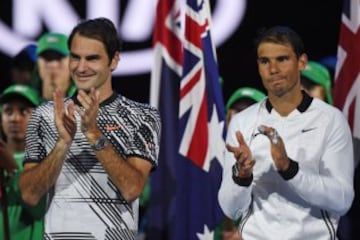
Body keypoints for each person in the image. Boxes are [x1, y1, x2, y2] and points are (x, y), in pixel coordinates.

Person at [18, 17, 161, 240]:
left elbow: (132, 189)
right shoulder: (44, 115)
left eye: (92, 58)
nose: (81, 67)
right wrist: (62, 144)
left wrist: (93, 133)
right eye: (75, 57)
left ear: (114, 61)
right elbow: (29, 194)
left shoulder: (142, 116)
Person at [218, 26, 354, 239]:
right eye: (265, 61)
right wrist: (242, 176)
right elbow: (230, 209)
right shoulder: (242, 123)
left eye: (282, 59)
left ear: (301, 62)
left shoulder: (331, 120)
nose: (273, 69)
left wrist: (289, 169)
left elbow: (342, 200)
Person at [0, 84, 44, 240]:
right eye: (8, 111)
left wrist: (12, 170)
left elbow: (38, 208)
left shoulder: (47, 161)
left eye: (24, 111)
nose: (14, 118)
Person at [32, 32, 76, 101]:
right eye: (48, 58)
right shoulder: (25, 98)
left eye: (59, 58)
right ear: (38, 64)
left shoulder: (85, 98)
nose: (53, 65)